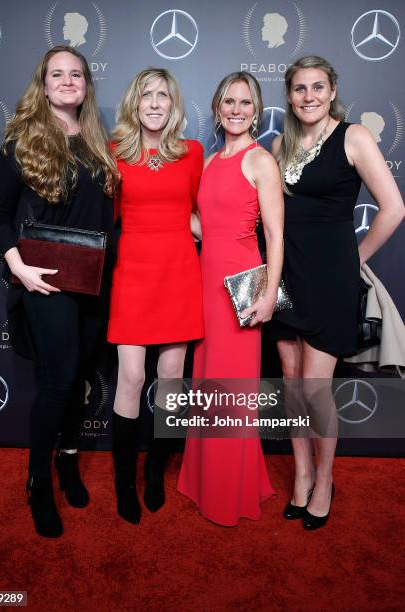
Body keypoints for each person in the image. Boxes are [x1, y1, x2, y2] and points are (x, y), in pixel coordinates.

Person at [0, 45, 118, 538]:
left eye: (76, 74)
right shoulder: (21, 141)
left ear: (86, 83)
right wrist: (19, 268)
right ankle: (38, 482)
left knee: (82, 375)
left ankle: (67, 460)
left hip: (94, 281)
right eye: (57, 74)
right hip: (44, 282)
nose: (67, 81)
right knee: (59, 382)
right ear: (42, 85)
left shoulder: (97, 141)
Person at [270, 55, 404, 530]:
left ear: (331, 91)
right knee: (290, 382)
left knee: (315, 389)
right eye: (300, 88)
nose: (309, 96)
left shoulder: (354, 136)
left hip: (330, 280)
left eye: (318, 87)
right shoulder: (284, 144)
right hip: (287, 277)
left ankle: (325, 479)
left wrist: (356, 258)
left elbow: (392, 208)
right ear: (289, 95)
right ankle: (302, 474)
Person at [178, 72, 284, 526]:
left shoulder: (262, 161)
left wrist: (268, 294)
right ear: (218, 107)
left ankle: (228, 491)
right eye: (228, 102)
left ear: (255, 109)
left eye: (245, 102)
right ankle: (205, 478)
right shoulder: (209, 161)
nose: (236, 110)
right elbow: (205, 227)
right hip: (205, 281)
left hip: (243, 282)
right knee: (206, 379)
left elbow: (276, 235)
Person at [108, 68, 204, 524]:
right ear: (134, 102)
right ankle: (124, 482)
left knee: (170, 379)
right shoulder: (113, 153)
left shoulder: (192, 153)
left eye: (162, 95)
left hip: (180, 274)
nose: (153, 103)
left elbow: (202, 216)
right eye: (145, 94)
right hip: (133, 276)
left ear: (173, 104)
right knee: (130, 377)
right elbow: (102, 218)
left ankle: (154, 476)